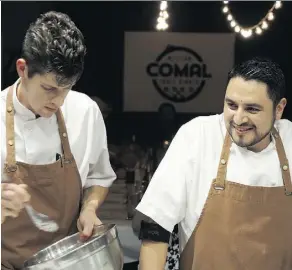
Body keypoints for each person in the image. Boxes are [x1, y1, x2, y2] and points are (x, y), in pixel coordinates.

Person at [134, 57, 292, 270]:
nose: (239, 119)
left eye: (252, 109)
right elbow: (155, 225)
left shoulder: (290, 140)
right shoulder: (198, 136)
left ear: (279, 109)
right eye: (231, 105)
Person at [1, 11, 116, 269]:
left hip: (67, 263)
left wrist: (90, 208)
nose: (58, 101)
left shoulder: (85, 112)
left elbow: (99, 177)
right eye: (49, 89)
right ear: (23, 69)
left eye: (67, 89)